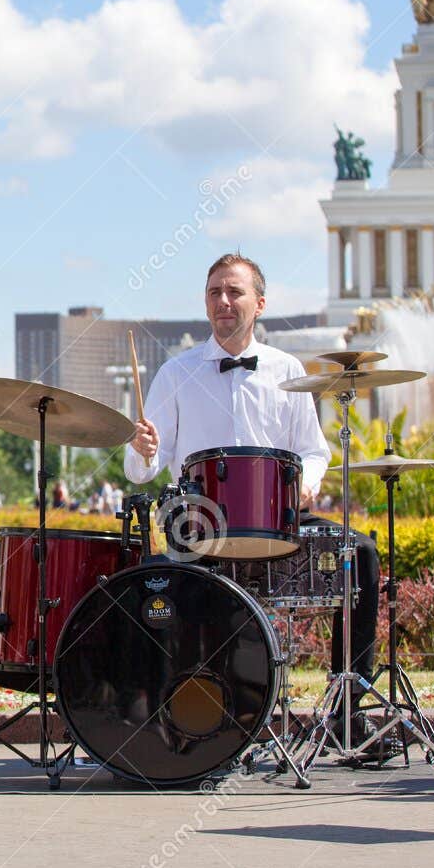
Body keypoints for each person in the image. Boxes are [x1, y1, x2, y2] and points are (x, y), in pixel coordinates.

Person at [125, 253, 382, 749]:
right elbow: (141, 468)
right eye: (214, 292)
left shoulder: (288, 370)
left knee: (362, 555)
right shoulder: (176, 373)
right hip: (200, 523)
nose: (223, 301)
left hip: (278, 518)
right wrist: (142, 450)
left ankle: (349, 711)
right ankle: (192, 719)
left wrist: (305, 481)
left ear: (259, 303)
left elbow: (312, 450)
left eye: (234, 291)